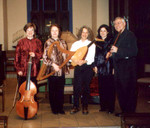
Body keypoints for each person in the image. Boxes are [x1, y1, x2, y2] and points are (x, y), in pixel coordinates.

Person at [107, 17, 138, 116]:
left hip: (128, 69)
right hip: (119, 69)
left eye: (119, 23)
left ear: (124, 23)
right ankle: (124, 111)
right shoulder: (117, 36)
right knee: (121, 91)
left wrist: (118, 50)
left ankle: (129, 114)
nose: (117, 25)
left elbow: (134, 52)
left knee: (128, 91)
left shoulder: (130, 35)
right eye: (115, 24)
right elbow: (116, 52)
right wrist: (112, 54)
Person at [42, 24, 69, 114]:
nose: (54, 32)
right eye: (52, 30)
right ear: (50, 32)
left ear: (59, 32)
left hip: (61, 71)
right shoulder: (47, 42)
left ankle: (60, 108)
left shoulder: (63, 42)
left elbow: (66, 56)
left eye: (56, 30)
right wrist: (53, 65)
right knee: (52, 91)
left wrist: (66, 65)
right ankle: (54, 108)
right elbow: (45, 58)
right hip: (52, 71)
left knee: (60, 90)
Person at [70, 26, 96, 115]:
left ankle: (85, 106)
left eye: (86, 32)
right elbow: (71, 56)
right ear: (80, 33)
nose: (84, 34)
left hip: (87, 68)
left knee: (86, 88)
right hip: (78, 67)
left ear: (88, 34)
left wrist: (84, 61)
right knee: (76, 87)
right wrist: (77, 61)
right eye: (83, 32)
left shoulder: (92, 44)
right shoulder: (75, 44)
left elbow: (92, 57)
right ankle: (75, 106)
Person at [14, 22, 43, 95]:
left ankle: (32, 105)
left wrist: (35, 54)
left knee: (33, 91)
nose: (30, 32)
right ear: (25, 31)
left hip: (34, 70)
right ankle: (23, 105)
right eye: (28, 30)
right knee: (22, 91)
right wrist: (18, 69)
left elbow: (42, 54)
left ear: (34, 32)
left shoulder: (38, 42)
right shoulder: (21, 42)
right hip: (23, 70)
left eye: (32, 30)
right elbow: (17, 56)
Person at [94, 24, 115, 114]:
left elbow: (114, 55)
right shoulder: (97, 42)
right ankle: (103, 106)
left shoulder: (112, 41)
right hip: (100, 67)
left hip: (109, 66)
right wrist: (94, 66)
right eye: (101, 31)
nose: (102, 32)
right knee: (102, 88)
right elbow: (95, 55)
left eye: (104, 31)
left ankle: (110, 108)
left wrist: (114, 67)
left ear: (107, 32)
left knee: (110, 88)